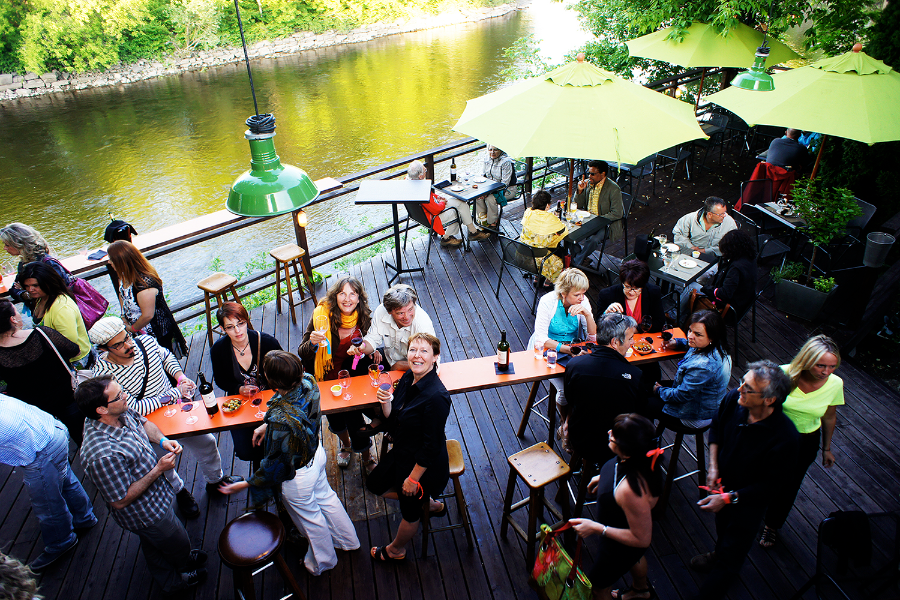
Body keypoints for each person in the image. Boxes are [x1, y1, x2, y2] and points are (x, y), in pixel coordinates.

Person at [218, 351, 359, 575]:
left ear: (273, 383)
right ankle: (349, 540)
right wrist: (268, 425)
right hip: (317, 455)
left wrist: (246, 484)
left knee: (311, 521)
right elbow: (296, 414)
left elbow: (275, 466)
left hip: (298, 476)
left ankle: (323, 562)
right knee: (326, 498)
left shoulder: (281, 422)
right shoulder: (309, 381)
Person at [75, 375, 209, 593]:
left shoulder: (118, 410)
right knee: (177, 539)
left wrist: (163, 441)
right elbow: (119, 501)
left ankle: (176, 566)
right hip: (145, 513)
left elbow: (143, 422)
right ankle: (180, 577)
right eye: (119, 395)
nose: (126, 396)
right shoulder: (100, 454)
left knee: (153, 545)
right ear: (101, 409)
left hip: (158, 498)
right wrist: (158, 470)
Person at [89, 317, 233, 518]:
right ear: (104, 349)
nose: (129, 345)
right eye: (119, 344)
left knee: (207, 443)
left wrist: (180, 377)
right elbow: (135, 408)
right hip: (145, 426)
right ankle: (180, 492)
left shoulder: (145, 342)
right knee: (163, 463)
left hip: (177, 412)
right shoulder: (103, 376)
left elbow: (166, 357)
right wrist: (175, 393)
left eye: (127, 337)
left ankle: (215, 480)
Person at [690, 361, 799, 600]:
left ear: (769, 400)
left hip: (748, 503)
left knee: (733, 552)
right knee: (722, 530)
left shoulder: (786, 438)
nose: (739, 390)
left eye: (747, 388)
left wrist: (729, 498)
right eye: (742, 382)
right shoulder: (734, 400)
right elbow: (717, 426)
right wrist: (713, 466)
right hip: (723, 488)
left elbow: (770, 487)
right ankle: (718, 553)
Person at [367, 333, 451, 562]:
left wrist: (413, 480)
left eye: (424, 351)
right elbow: (394, 420)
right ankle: (429, 503)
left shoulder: (436, 396)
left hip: (425, 466)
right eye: (413, 350)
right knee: (374, 484)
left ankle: (396, 550)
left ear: (435, 357)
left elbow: (432, 446)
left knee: (410, 512)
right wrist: (385, 402)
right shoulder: (408, 378)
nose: (417, 355)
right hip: (404, 452)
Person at [759, 335, 843, 549]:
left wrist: (827, 448)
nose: (826, 372)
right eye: (820, 365)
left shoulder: (835, 384)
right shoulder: (783, 373)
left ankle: (772, 525)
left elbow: (829, 416)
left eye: (832, 366)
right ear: (807, 360)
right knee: (760, 476)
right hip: (772, 437)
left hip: (805, 442)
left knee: (789, 485)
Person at [569, 414, 663, 600]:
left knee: (597, 588)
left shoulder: (631, 490)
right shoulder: (642, 460)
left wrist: (597, 528)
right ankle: (641, 590)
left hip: (620, 545)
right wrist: (605, 477)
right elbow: (619, 468)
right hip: (623, 532)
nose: (609, 432)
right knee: (635, 559)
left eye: (614, 436)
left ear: (628, 452)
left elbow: (641, 539)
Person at [0, 393, 97, 573]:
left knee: (46, 501)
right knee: (66, 479)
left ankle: (62, 541)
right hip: (54, 430)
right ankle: (85, 517)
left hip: (40, 449)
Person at [299, 277, 379, 470]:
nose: (347, 298)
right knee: (335, 417)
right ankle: (346, 445)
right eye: (342, 293)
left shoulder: (364, 316)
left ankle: (367, 454)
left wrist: (372, 349)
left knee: (354, 416)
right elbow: (302, 352)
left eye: (353, 293)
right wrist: (312, 343)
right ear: (336, 296)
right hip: (325, 376)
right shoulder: (322, 315)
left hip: (350, 374)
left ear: (359, 298)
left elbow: (370, 340)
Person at [0, 298, 86, 445]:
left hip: (32, 410)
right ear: (12, 319)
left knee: (46, 447)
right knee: (82, 436)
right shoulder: (42, 334)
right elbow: (74, 350)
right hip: (66, 397)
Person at [563, 314, 642, 470]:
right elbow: (638, 411)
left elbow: (570, 399)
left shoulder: (574, 365)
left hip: (580, 438)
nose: (632, 342)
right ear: (615, 342)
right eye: (630, 338)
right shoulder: (635, 375)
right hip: (615, 445)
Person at [530, 268, 597, 442]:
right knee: (567, 389)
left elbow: (592, 338)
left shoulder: (583, 302)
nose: (581, 298)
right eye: (577, 295)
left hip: (573, 348)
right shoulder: (548, 301)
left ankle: (567, 424)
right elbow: (541, 338)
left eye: (583, 293)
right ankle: (563, 421)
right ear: (563, 292)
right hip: (549, 350)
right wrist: (568, 350)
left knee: (587, 384)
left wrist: (588, 315)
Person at [211, 301, 282, 462]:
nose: (237, 331)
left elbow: (285, 369)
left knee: (274, 439)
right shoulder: (218, 350)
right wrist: (238, 388)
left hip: (272, 399)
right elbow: (220, 380)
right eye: (230, 327)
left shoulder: (267, 342)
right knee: (245, 451)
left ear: (246, 321)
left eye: (240, 324)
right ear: (222, 329)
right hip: (241, 404)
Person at [649, 310, 732, 423]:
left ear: (712, 337)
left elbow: (681, 396)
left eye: (697, 334)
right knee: (647, 385)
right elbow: (696, 346)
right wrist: (678, 343)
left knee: (642, 402)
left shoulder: (703, 366)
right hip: (697, 400)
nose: (690, 336)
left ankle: (648, 437)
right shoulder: (716, 345)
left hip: (693, 414)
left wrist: (659, 390)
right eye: (690, 330)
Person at [107, 240, 187, 356]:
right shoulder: (124, 275)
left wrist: (131, 328)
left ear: (121, 262)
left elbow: (147, 315)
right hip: (137, 330)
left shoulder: (144, 285)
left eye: (111, 259)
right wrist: (123, 316)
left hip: (155, 332)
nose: (109, 262)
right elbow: (123, 295)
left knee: (164, 361)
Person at [19, 261, 92, 369]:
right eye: (26, 286)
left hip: (74, 363)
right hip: (57, 358)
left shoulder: (62, 308)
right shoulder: (41, 298)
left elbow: (69, 344)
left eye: (35, 285)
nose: (30, 290)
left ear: (48, 283)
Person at [407, 160, 490, 249]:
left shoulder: (409, 182)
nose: (426, 173)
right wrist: (442, 202)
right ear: (420, 176)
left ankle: (472, 232)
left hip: (422, 215)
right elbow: (436, 209)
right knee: (458, 211)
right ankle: (448, 238)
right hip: (433, 218)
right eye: (425, 171)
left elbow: (430, 198)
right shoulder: (421, 192)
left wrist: (438, 197)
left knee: (461, 203)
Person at [357, 283, 437, 371]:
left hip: (414, 368)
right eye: (400, 313)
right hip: (389, 359)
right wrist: (362, 347)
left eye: (410, 309)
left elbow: (430, 362)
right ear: (389, 311)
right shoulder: (381, 311)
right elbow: (372, 339)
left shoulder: (423, 323)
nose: (407, 317)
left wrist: (399, 366)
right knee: (351, 363)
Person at [684, 229, 757, 319]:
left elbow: (724, 293)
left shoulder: (735, 268)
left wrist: (706, 288)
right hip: (742, 303)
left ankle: (675, 315)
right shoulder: (750, 258)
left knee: (689, 286)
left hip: (727, 308)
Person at [1, 222, 73, 307]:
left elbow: (63, 290)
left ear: (19, 244)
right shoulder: (23, 264)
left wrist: (26, 290)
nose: (5, 248)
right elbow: (13, 291)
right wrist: (27, 294)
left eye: (7, 245)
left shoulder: (48, 263)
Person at [571, 160, 624, 267]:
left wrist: (598, 219)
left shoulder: (613, 189)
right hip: (587, 219)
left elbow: (617, 213)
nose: (589, 176)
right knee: (568, 233)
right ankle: (580, 257)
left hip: (605, 223)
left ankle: (576, 262)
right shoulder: (587, 183)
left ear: (603, 174)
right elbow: (576, 204)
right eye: (588, 173)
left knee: (593, 240)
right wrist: (580, 190)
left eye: (592, 174)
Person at [595, 259, 664, 331]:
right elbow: (599, 326)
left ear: (643, 285)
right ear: (622, 282)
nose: (631, 292)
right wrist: (606, 313)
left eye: (637, 288)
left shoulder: (653, 292)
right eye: (627, 287)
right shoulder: (607, 295)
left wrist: (635, 330)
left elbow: (659, 322)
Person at [520, 189, 569, 284]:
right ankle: (548, 281)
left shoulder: (528, 212)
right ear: (547, 205)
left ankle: (537, 275)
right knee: (559, 256)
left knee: (539, 244)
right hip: (537, 259)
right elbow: (563, 230)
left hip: (522, 254)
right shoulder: (550, 218)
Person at [672, 197, 737, 259]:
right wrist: (691, 247)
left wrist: (706, 251)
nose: (724, 215)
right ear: (710, 215)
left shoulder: (730, 222)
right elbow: (678, 234)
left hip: (715, 258)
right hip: (690, 253)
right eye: (721, 214)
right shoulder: (689, 219)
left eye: (725, 212)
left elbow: (732, 244)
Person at [476, 145, 516, 229]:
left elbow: (505, 183)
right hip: (490, 188)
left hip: (507, 190)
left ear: (501, 150)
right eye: (490, 150)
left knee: (490, 198)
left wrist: (488, 192)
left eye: (495, 150)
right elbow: (483, 176)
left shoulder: (506, 162)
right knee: (478, 197)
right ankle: (483, 219)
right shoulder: (486, 158)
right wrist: (483, 190)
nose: (492, 152)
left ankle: (492, 222)